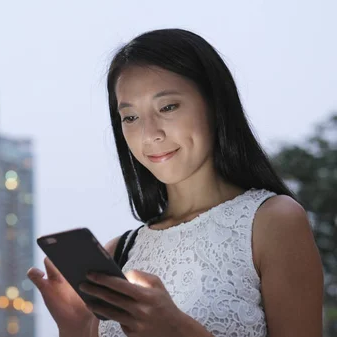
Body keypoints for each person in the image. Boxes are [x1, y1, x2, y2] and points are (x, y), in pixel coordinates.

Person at [27, 28, 324, 337]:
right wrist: (74, 328)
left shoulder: (272, 222)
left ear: (214, 104)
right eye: (130, 118)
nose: (150, 134)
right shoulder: (120, 251)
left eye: (167, 107)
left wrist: (179, 331)